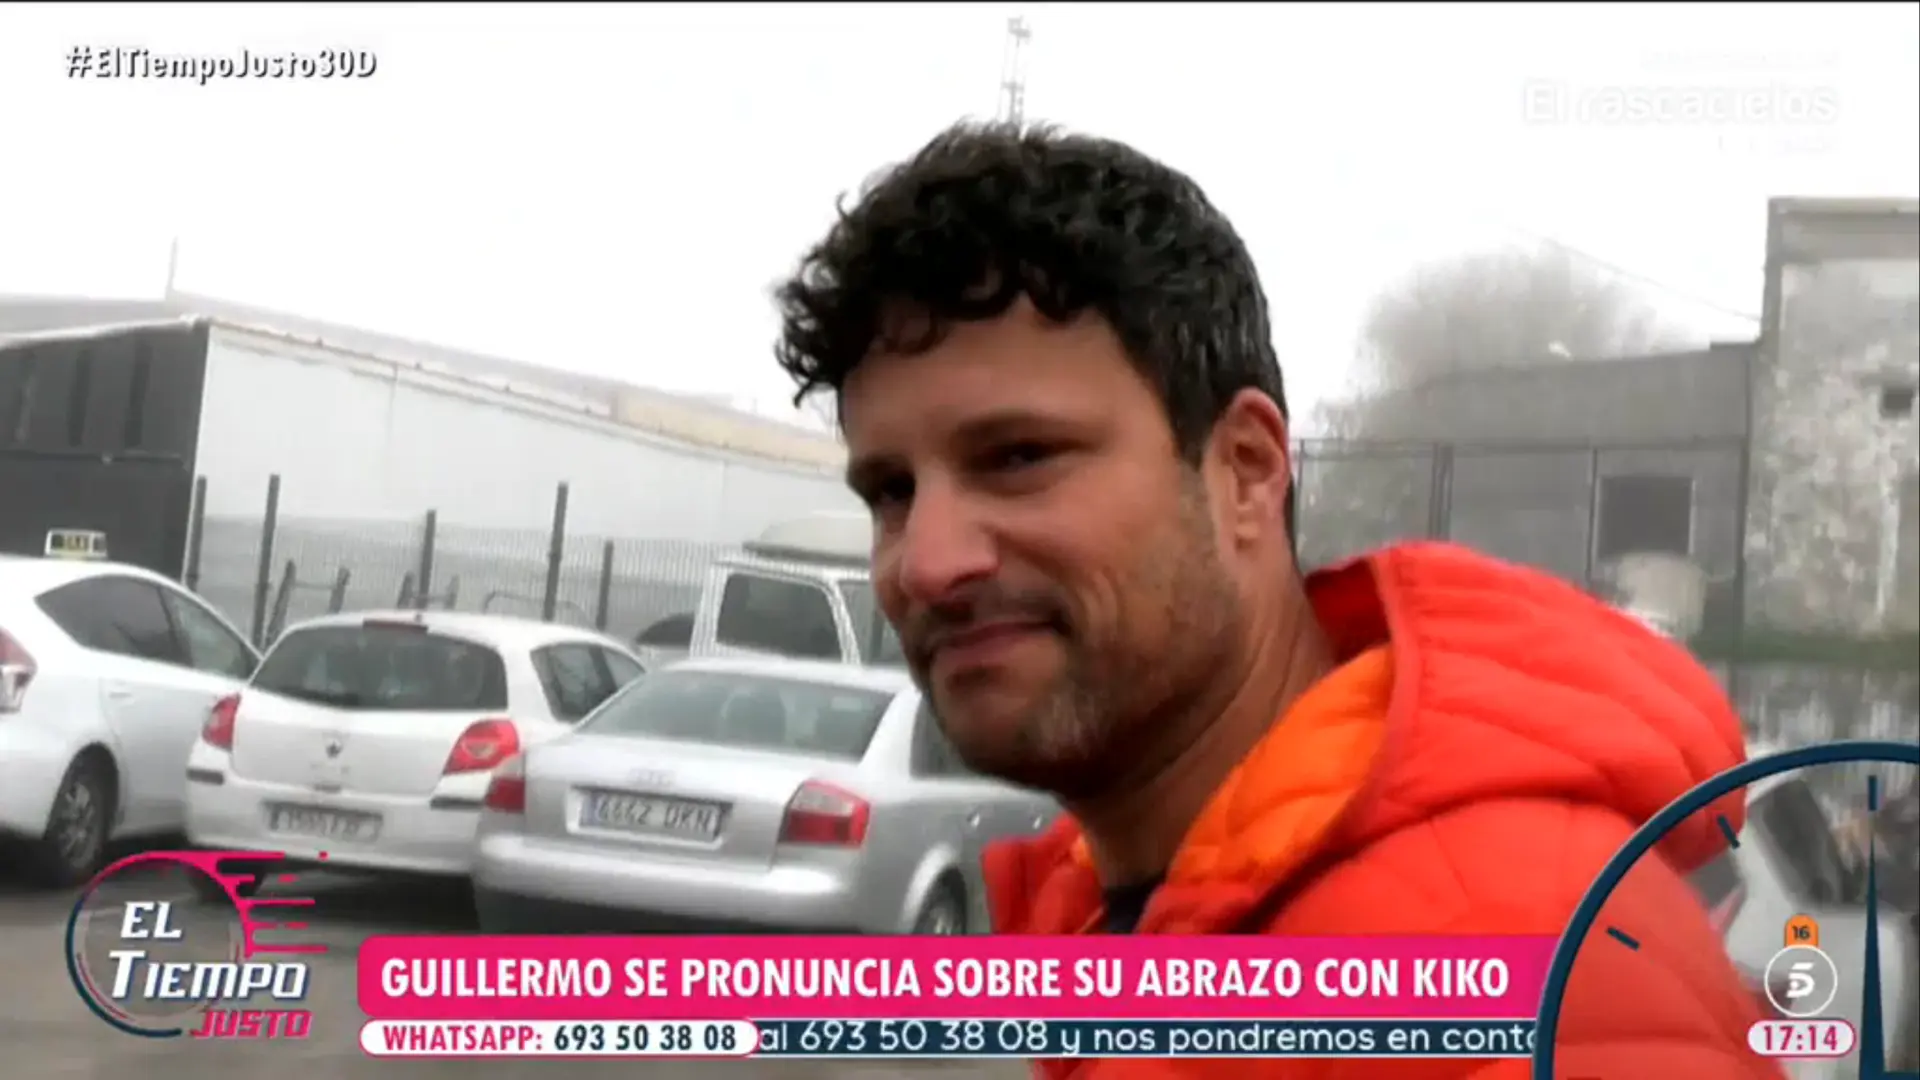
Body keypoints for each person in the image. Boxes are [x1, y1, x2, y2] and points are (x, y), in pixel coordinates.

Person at [771, 121, 1776, 1079]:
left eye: (1019, 457)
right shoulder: (1132, 910)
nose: (927, 563)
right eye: (891, 492)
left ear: (1246, 471)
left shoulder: (1523, 962)